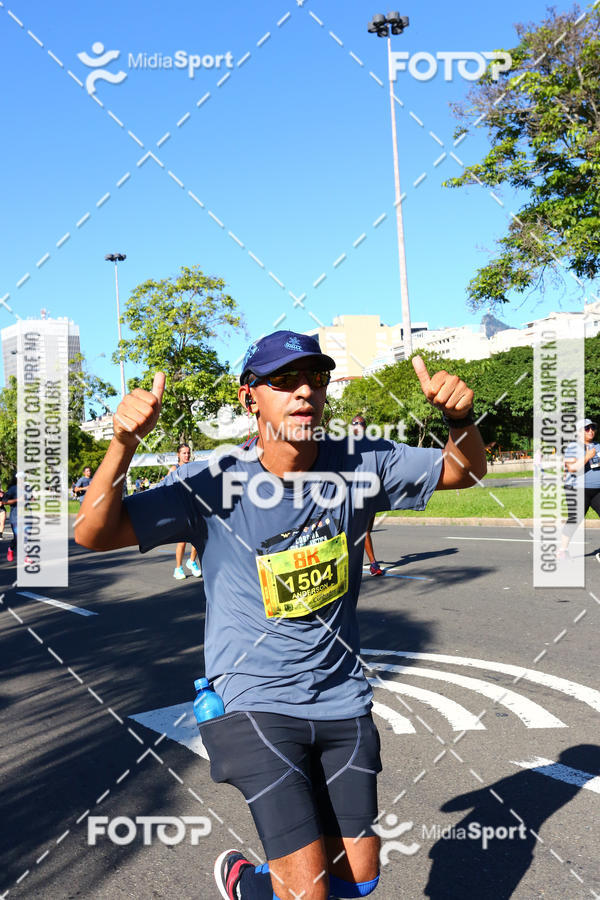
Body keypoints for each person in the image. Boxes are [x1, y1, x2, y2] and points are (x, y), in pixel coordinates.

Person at [74, 329, 486, 900]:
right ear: (249, 397)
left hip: (341, 696)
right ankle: (257, 883)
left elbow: (463, 471)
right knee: (309, 892)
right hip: (254, 700)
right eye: (284, 380)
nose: (303, 390)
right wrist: (122, 443)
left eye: (315, 377)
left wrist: (459, 421)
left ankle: (251, 886)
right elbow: (92, 532)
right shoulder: (211, 482)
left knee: (359, 879)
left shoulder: (362, 462)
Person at [559, 418, 600, 559]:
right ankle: (562, 550)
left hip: (597, 490)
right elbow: (572, 468)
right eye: (587, 428)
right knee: (574, 520)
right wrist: (587, 456)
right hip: (577, 490)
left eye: (593, 428)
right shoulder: (572, 447)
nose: (591, 431)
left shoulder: (598, 446)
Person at [351, 416, 383, 576]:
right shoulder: (347, 444)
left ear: (365, 426)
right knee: (363, 531)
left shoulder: (372, 444)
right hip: (355, 493)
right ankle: (373, 564)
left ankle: (370, 563)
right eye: (355, 424)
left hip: (371, 492)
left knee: (366, 530)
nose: (358, 426)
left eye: (361, 423)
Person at [170, 444, 201, 580]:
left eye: (188, 453)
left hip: (193, 506)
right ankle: (178, 568)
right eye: (184, 453)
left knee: (198, 538)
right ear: (178, 455)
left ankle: (192, 561)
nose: (187, 455)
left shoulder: (193, 467)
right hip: (181, 508)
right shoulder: (174, 469)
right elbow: (167, 487)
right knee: (182, 541)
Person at [4, 474, 18, 562]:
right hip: (15, 517)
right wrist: (17, 500)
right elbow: (4, 501)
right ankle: (11, 549)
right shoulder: (13, 489)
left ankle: (27, 557)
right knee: (17, 538)